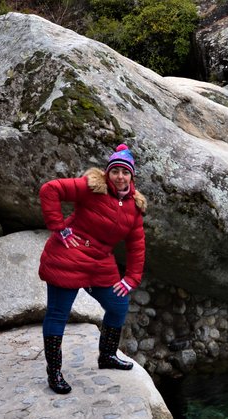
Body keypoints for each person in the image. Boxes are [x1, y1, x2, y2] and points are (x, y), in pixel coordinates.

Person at [38, 143, 147, 394]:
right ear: (107, 173)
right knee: (58, 314)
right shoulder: (91, 188)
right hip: (68, 255)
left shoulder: (133, 207)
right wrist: (59, 227)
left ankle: (107, 355)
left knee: (118, 304)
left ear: (132, 176)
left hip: (100, 261)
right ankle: (54, 372)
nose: (120, 176)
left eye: (125, 172)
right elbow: (50, 190)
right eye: (115, 171)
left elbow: (137, 246)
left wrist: (131, 278)